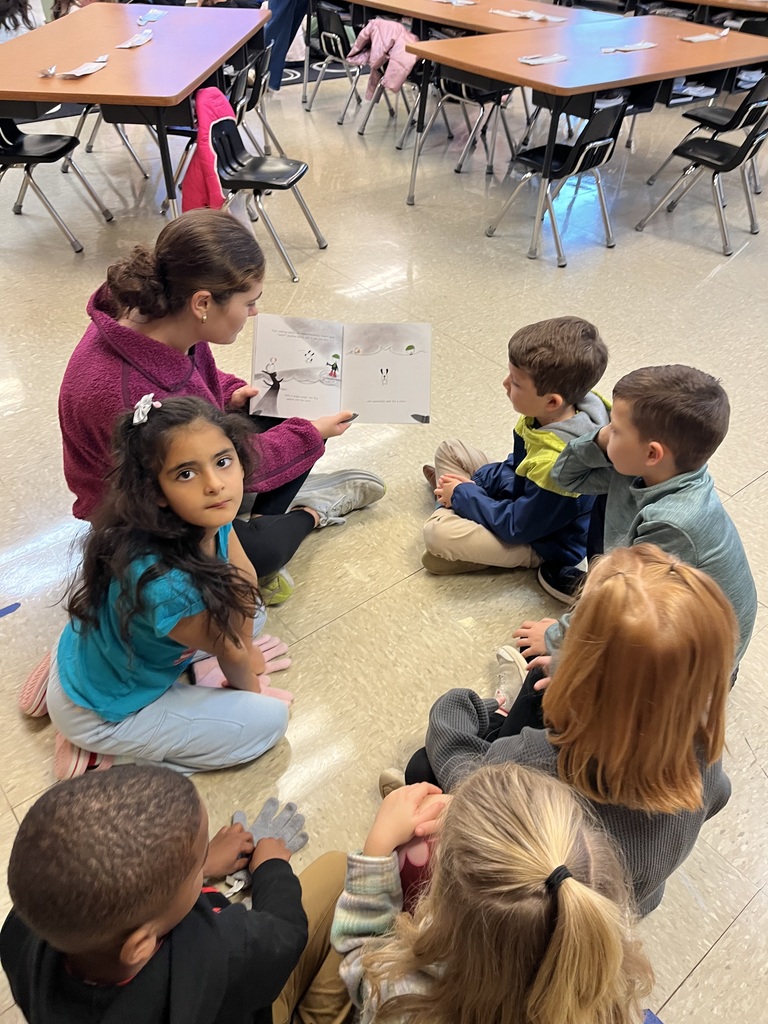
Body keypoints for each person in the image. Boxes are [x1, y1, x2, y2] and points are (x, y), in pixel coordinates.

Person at [58, 208, 385, 599]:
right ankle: (311, 511)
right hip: (144, 519)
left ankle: (262, 513)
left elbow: (193, 381)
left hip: (175, 467)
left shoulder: (156, 315)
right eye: (249, 302)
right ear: (203, 303)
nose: (254, 312)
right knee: (259, 552)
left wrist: (229, 392)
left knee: (293, 408)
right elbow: (190, 465)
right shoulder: (136, 395)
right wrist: (309, 435)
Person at [405, 545, 734, 916]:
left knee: (422, 767)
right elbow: (719, 796)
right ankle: (512, 706)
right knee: (537, 685)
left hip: (536, 914)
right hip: (625, 907)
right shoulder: (704, 749)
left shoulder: (538, 758)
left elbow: (470, 780)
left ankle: (498, 709)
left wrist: (457, 706)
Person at [42, 395, 297, 779]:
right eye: (186, 474)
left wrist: (241, 644)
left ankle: (56, 685)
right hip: (100, 712)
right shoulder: (164, 583)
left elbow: (242, 581)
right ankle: (98, 753)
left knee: (254, 616)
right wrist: (248, 683)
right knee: (269, 722)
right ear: (156, 491)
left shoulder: (199, 513)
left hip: (89, 657)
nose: (215, 484)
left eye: (223, 461)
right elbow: (234, 650)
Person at [1, 765, 351, 1024]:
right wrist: (271, 868)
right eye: (198, 863)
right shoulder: (219, 952)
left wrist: (189, 870)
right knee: (339, 869)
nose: (202, 867)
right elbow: (286, 937)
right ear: (140, 946)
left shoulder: (22, 930)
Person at [331, 765, 654, 1024]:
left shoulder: (407, 1001)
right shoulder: (605, 969)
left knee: (329, 872)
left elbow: (363, 964)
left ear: (446, 911)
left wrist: (375, 852)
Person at [513, 364, 757, 671]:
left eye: (614, 428)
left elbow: (623, 594)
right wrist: (605, 440)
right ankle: (588, 613)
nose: (603, 431)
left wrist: (557, 638)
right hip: (652, 604)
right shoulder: (647, 470)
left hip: (694, 673)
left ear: (652, 453)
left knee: (561, 681)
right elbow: (565, 477)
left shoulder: (672, 523)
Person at [420, 317, 609, 590]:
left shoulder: (559, 467)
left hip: (540, 542)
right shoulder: (549, 414)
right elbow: (516, 466)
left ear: (552, 401)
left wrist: (463, 494)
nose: (505, 383)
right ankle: (456, 508)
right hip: (522, 501)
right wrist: (480, 486)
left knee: (437, 534)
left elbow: (518, 527)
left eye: (517, 383)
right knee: (450, 449)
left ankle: (454, 511)